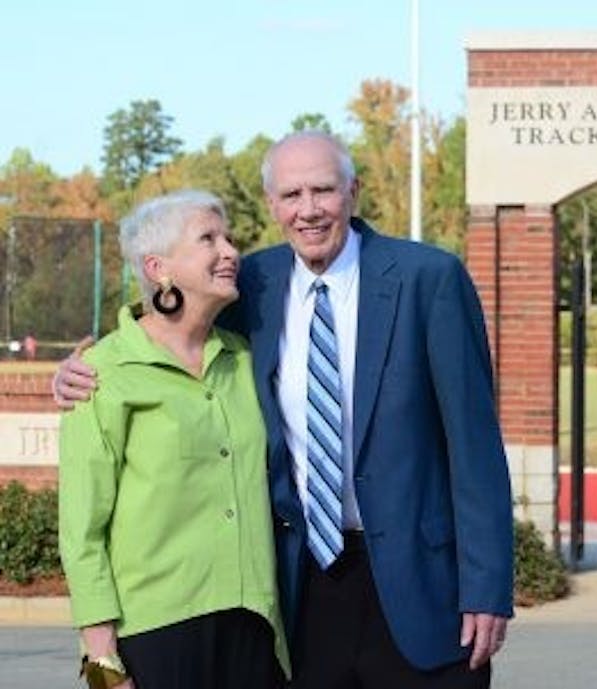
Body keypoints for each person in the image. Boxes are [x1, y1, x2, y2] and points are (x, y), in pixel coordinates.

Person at [56, 131, 514, 688]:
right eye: (291, 195)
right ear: (272, 204)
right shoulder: (255, 283)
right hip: (303, 594)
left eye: (323, 190)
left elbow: (476, 447)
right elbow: (171, 313)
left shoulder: (429, 280)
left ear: (353, 192)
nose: (308, 210)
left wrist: (487, 586)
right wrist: (90, 363)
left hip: (423, 590)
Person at [57, 190, 288, 689]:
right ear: (158, 267)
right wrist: (103, 672)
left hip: (254, 627)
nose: (230, 251)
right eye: (208, 239)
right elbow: (82, 533)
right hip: (153, 635)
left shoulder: (246, 360)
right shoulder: (103, 373)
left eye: (228, 238)